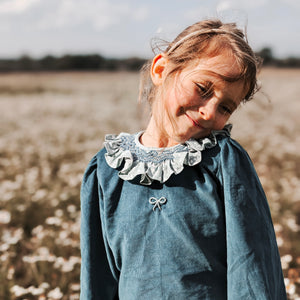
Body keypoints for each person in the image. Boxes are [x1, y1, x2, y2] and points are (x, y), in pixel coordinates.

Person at [80, 19, 287, 299]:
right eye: (203, 89)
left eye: (225, 107)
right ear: (161, 70)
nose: (209, 112)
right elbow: (98, 277)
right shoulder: (106, 168)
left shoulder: (223, 161)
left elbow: (251, 268)